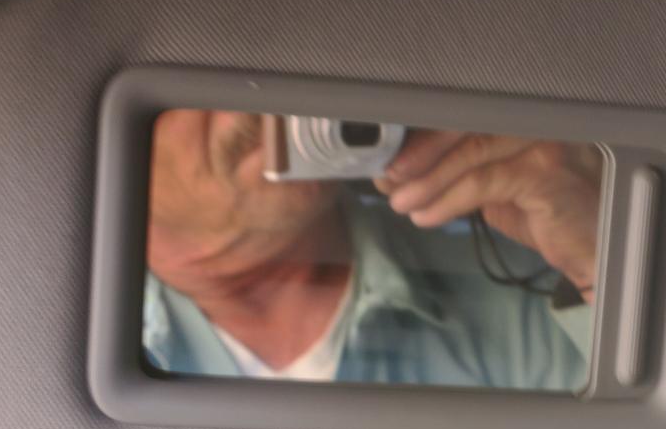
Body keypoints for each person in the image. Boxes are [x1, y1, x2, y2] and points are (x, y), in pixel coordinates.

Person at [142, 110, 603, 390]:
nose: (260, 83)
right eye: (191, 63)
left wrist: (600, 263)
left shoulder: (516, 275)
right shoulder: (103, 346)